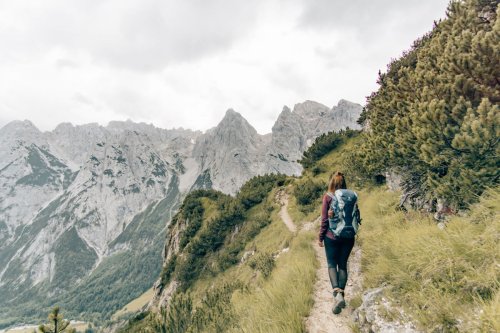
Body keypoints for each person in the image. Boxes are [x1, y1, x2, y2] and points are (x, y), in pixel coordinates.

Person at [318, 171, 358, 315]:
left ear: (332, 183)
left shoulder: (328, 197)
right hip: (349, 236)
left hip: (332, 236)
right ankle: (342, 293)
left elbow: (324, 221)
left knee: (331, 264)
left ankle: (337, 293)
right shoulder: (352, 197)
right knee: (342, 265)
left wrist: (321, 237)